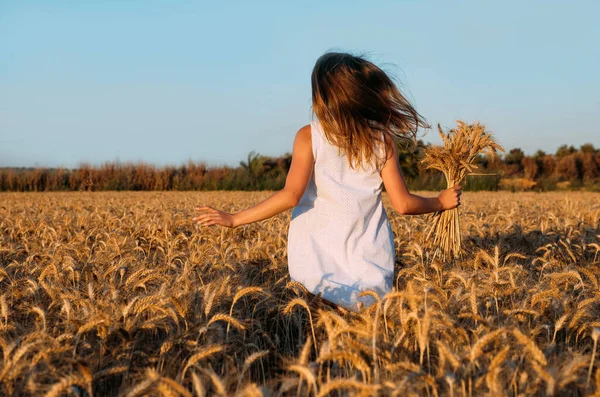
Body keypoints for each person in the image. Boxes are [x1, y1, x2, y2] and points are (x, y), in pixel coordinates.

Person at [193, 52, 461, 311]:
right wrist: (439, 201)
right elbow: (403, 204)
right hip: (368, 260)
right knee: (363, 324)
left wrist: (235, 219)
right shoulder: (382, 140)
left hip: (315, 258)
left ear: (323, 96)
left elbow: (291, 196)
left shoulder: (309, 136)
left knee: (318, 320)